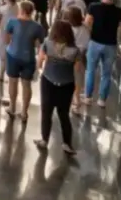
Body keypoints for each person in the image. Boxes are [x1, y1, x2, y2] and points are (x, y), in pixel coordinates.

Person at [35, 20, 81, 154]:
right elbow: (77, 69)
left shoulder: (47, 44)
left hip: (48, 81)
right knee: (63, 114)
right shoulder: (74, 50)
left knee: (46, 112)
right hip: (66, 84)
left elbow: (40, 61)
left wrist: (41, 70)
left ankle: (44, 140)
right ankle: (67, 143)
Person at [83, 0, 121, 107]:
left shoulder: (93, 7)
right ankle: (102, 100)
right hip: (111, 45)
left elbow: (87, 23)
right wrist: (119, 43)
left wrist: (91, 33)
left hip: (95, 42)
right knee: (106, 74)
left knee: (90, 71)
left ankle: (88, 97)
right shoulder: (120, 12)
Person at [4, 0, 45, 120]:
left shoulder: (12, 22)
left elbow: (7, 39)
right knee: (26, 84)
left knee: (13, 81)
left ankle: (12, 107)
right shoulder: (37, 26)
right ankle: (24, 112)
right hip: (29, 58)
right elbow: (39, 43)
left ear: (21, 10)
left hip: (13, 55)